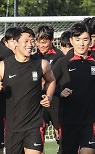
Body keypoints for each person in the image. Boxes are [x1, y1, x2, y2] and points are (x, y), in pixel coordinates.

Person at [0, 26, 56, 154]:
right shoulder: (3, 66)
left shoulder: (42, 64)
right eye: (26, 41)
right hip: (12, 128)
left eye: (32, 41)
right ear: (16, 43)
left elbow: (51, 80)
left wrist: (49, 96)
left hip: (34, 125)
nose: (30, 45)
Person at [52, 22, 95, 154]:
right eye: (78, 40)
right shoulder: (63, 62)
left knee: (88, 151)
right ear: (71, 40)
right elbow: (49, 83)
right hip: (68, 120)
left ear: (90, 40)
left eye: (85, 39)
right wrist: (60, 92)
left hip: (90, 120)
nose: (81, 44)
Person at [35, 25, 64, 144]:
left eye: (44, 42)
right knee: (37, 138)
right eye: (38, 42)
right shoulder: (33, 57)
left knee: (62, 139)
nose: (41, 45)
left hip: (56, 102)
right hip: (39, 103)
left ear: (52, 40)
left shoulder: (59, 56)